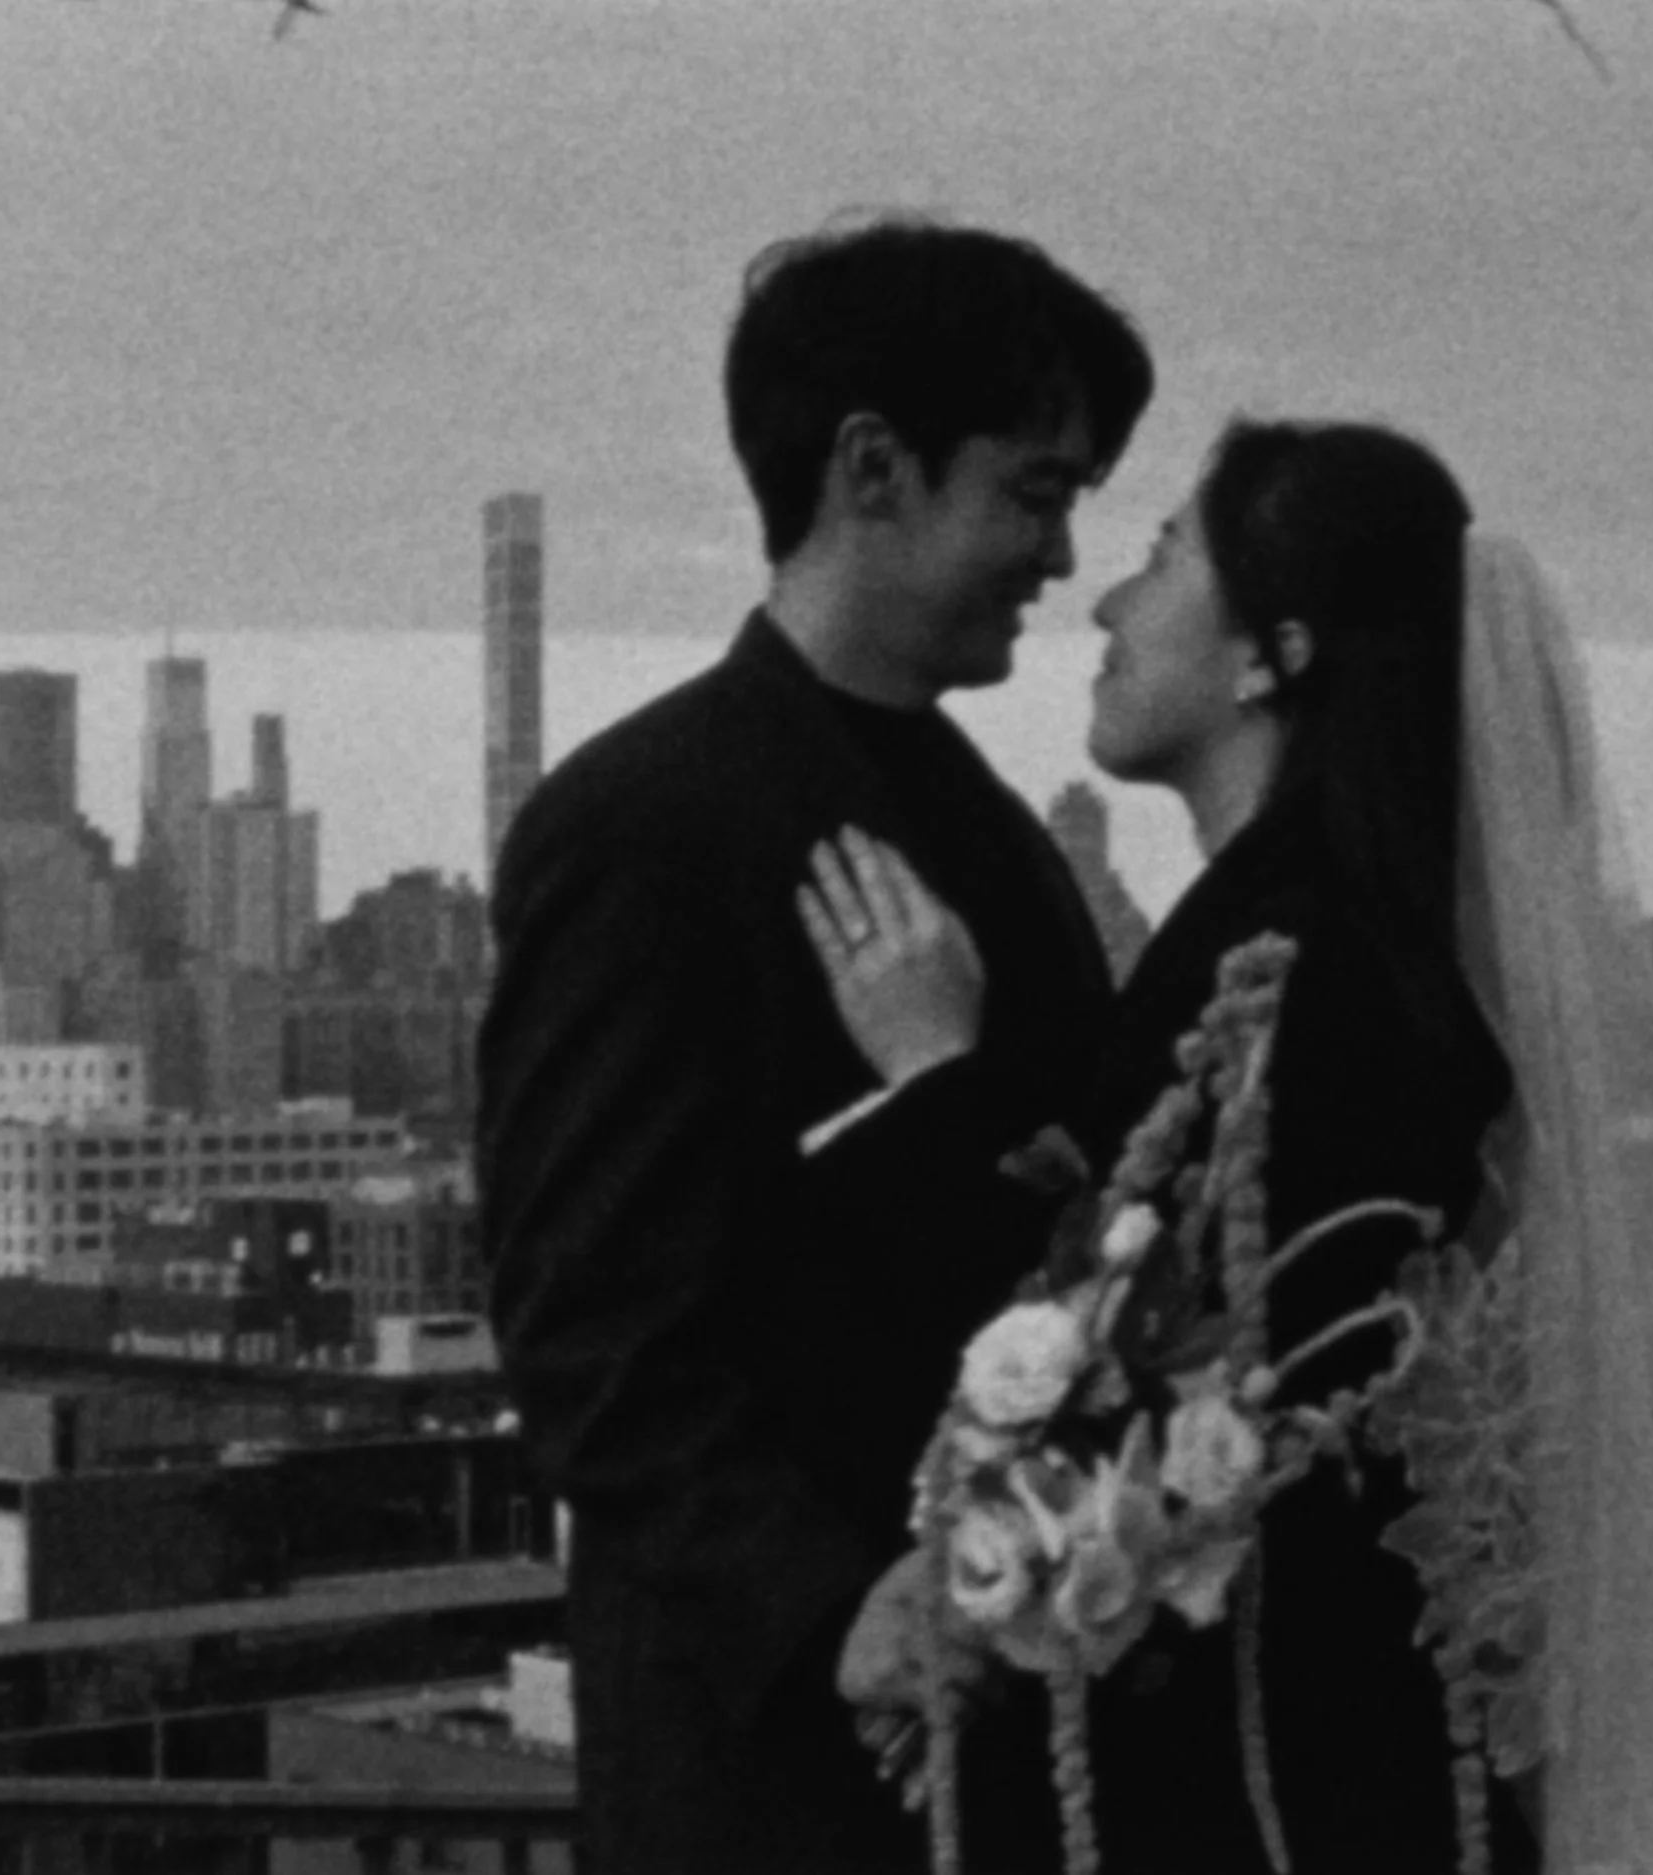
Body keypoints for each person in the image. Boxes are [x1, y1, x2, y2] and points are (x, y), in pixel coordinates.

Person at [811, 419, 1653, 1873]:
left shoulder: (1308, 976)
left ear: (1274, 650)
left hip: (1270, 1803)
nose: (1108, 601)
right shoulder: (1313, 944)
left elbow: (1214, 1389)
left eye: (1160, 555)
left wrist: (936, 1078)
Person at [475, 217, 1153, 1875]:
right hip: (763, 1780)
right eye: (1037, 492)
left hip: (1021, 1764)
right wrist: (830, 1609)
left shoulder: (1006, 853)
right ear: (873, 467)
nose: (1060, 559)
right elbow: (589, 1337)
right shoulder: (642, 827)